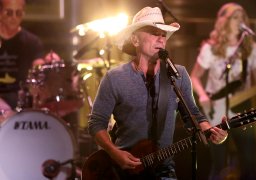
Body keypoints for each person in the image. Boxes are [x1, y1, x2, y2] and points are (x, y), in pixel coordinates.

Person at [87, 6, 228, 179]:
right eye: (154, 33)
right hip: (122, 171)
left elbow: (194, 116)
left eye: (164, 35)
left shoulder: (179, 75)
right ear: (135, 40)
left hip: (164, 171)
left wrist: (213, 132)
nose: (161, 39)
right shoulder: (114, 78)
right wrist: (114, 152)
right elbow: (96, 123)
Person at [191, 2, 256, 180]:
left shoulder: (251, 49)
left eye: (242, 17)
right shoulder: (210, 49)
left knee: (249, 162)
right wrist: (203, 95)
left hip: (243, 108)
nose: (240, 21)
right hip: (215, 109)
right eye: (236, 17)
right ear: (224, 21)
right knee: (219, 165)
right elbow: (194, 77)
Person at [0, 0, 45, 112]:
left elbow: (38, 70)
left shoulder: (32, 42)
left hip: (21, 100)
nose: (14, 17)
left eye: (18, 13)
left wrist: (45, 66)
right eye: (9, 13)